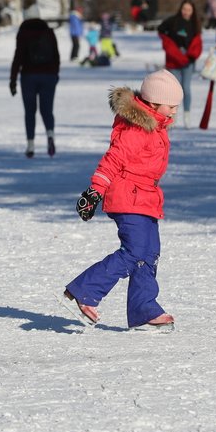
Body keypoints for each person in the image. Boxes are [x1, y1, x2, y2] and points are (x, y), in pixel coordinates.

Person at [61, 70, 184, 331]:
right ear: (153, 103)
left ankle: (144, 309)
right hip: (128, 197)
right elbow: (113, 160)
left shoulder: (156, 125)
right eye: (171, 106)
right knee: (136, 252)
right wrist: (94, 192)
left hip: (145, 198)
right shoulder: (138, 128)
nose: (174, 112)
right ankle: (85, 290)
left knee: (149, 253)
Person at [9, 6, 60, 158]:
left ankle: (30, 145)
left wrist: (13, 78)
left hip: (29, 76)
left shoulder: (23, 32)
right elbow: (56, 55)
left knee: (30, 111)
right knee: (47, 110)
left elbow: (18, 57)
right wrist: (55, 74)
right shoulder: (49, 32)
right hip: (48, 76)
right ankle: (50, 135)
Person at [157, 0, 203, 128]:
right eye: (184, 9)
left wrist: (192, 54)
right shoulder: (172, 21)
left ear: (192, 11)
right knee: (173, 90)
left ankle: (187, 115)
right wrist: (168, 45)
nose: (186, 12)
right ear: (180, 9)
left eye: (189, 10)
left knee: (186, 88)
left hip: (188, 60)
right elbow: (161, 30)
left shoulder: (195, 24)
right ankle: (172, 116)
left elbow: (197, 41)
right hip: (174, 60)